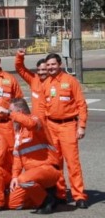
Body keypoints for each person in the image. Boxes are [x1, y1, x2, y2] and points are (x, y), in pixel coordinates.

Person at [40, 53, 87, 208]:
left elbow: (81, 104)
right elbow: (41, 108)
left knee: (73, 163)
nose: (51, 67)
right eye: (48, 65)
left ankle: (79, 195)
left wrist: (81, 126)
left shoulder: (70, 81)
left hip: (68, 126)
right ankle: (60, 194)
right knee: (55, 163)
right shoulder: (45, 84)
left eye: (53, 64)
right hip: (51, 127)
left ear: (59, 64)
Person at [7, 98, 62, 214]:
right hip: (32, 175)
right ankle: (44, 195)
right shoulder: (18, 132)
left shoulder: (36, 120)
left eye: (12, 111)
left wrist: (9, 113)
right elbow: (17, 157)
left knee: (24, 180)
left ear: (20, 112)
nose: (11, 116)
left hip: (48, 169)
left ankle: (47, 200)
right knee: (14, 203)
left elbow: (31, 124)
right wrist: (15, 176)